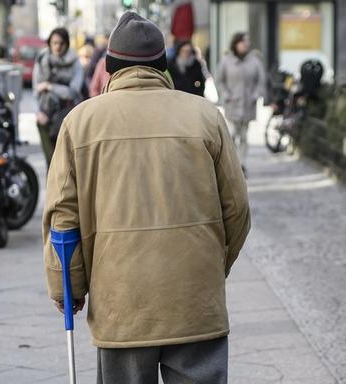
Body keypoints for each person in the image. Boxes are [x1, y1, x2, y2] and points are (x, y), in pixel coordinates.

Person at [43, 12, 250, 384]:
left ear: (110, 67)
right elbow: (237, 210)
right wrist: (212, 268)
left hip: (121, 305)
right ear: (163, 64)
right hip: (195, 302)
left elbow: (63, 216)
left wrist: (67, 286)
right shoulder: (205, 117)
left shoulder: (80, 122)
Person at [216, 32, 266, 173]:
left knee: (244, 135)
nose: (246, 45)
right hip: (232, 103)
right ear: (236, 43)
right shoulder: (226, 61)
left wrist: (256, 95)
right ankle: (231, 162)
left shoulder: (254, 61)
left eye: (247, 42)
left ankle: (241, 163)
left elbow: (261, 80)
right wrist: (226, 95)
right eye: (243, 42)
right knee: (231, 133)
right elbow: (219, 81)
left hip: (248, 104)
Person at [33, 27, 83, 166]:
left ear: (67, 44)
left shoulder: (74, 62)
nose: (57, 47)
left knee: (67, 163)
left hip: (67, 116)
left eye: (61, 43)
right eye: (54, 43)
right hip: (45, 117)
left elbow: (72, 92)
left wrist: (49, 86)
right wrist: (37, 113)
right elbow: (35, 90)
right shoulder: (42, 59)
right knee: (51, 162)